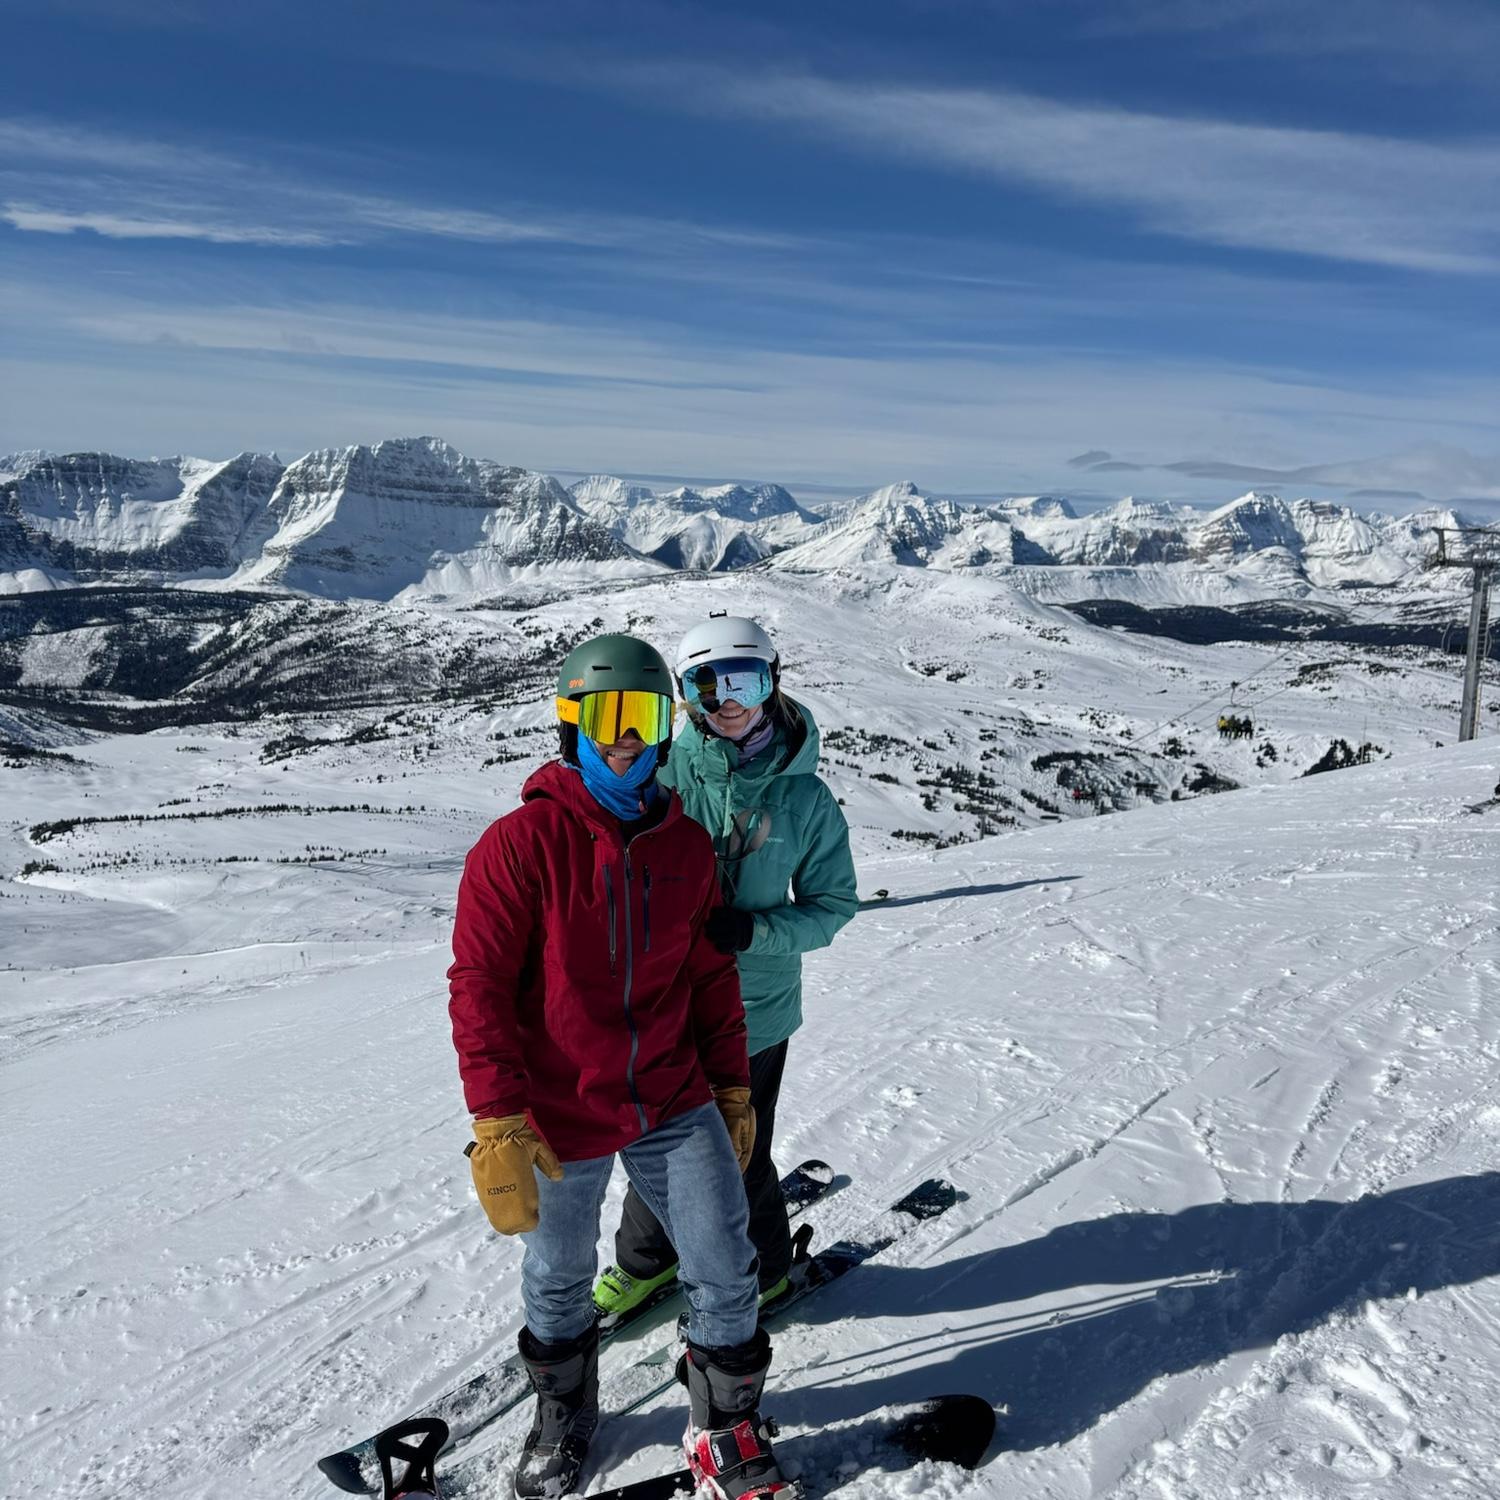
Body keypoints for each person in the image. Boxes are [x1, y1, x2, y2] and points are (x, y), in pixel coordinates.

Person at [448, 633, 792, 1500]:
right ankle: (564, 1410)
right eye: (607, 717)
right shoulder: (520, 844)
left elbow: (709, 977)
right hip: (558, 1110)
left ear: (666, 726)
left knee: (726, 1260)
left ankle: (725, 1426)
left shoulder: (684, 848)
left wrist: (730, 1085)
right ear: (572, 724)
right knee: (558, 1274)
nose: (626, 739)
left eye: (642, 715)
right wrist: (498, 1115)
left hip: (671, 1096)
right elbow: (479, 985)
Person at [595, 614, 858, 1324]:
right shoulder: (662, 773)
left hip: (754, 1010)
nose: (728, 701)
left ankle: (765, 1271)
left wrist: (754, 931)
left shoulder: (805, 799)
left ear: (773, 684)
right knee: (655, 1136)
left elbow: (833, 906)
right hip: (661, 1001)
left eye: (745, 681)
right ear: (685, 698)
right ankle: (648, 1260)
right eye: (707, 686)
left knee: (735, 1145)